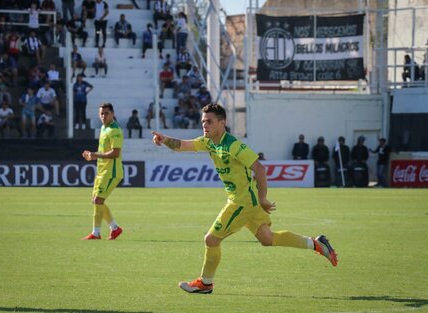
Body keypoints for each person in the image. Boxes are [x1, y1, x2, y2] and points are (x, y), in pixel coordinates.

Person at [151, 104, 338, 294]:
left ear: (222, 123)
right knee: (267, 238)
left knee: (211, 240)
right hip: (246, 200)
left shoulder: (233, 145)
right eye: (203, 122)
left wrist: (263, 198)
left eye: (209, 121)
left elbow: (260, 168)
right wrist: (165, 139)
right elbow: (184, 145)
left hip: (242, 202)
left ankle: (205, 283)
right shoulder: (209, 142)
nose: (204, 126)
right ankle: (316, 243)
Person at [82, 102, 124, 240]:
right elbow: (103, 150)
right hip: (102, 170)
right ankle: (114, 228)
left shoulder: (115, 130)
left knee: (98, 200)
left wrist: (95, 155)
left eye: (106, 113)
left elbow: (115, 153)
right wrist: (92, 155)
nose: (104, 116)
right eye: (101, 113)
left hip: (111, 172)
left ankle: (96, 233)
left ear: (112, 113)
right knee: (96, 200)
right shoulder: (103, 128)